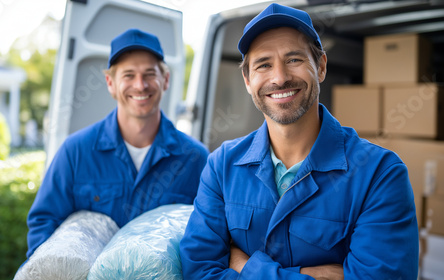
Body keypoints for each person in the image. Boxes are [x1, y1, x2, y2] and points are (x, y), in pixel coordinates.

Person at [179, 3, 418, 280]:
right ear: (247, 79)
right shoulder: (222, 166)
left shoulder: (380, 173)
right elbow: (198, 272)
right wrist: (318, 275)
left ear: (321, 67)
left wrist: (247, 266)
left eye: (294, 60)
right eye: (264, 64)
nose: (279, 78)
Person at [25, 28, 209, 258]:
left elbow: (209, 237)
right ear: (111, 83)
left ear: (166, 80)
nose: (140, 85)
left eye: (150, 74)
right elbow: (45, 224)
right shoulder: (76, 151)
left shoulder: (195, 158)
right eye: (128, 75)